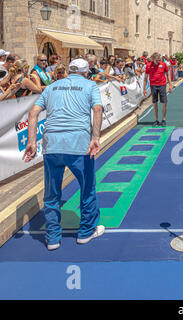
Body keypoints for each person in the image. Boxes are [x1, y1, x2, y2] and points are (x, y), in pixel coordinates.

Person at [22, 58, 105, 251]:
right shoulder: (90, 85)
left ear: (69, 71)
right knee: (87, 188)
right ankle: (85, 233)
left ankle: (52, 239)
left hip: (52, 145)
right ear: (86, 72)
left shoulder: (52, 87)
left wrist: (32, 142)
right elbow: (98, 109)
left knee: (52, 194)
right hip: (79, 144)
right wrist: (96, 137)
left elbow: (33, 114)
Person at [143, 52, 173, 127]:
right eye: (156, 60)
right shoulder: (148, 65)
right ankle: (156, 120)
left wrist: (170, 85)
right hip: (153, 86)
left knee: (164, 102)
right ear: (152, 59)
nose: (158, 61)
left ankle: (163, 119)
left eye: (159, 59)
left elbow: (168, 74)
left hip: (162, 85)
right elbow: (145, 78)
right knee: (154, 103)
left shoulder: (163, 64)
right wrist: (144, 89)